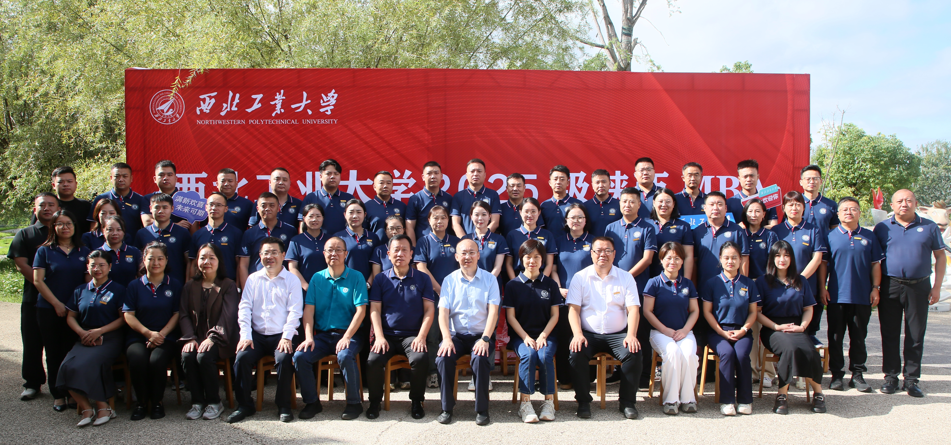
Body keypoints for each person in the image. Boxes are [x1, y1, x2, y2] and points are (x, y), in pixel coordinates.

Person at [874, 189, 947, 397]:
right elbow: (874, 261)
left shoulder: (929, 227)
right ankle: (890, 377)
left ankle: (912, 380)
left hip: (919, 286)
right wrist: (875, 287)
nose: (904, 204)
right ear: (892, 205)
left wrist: (936, 286)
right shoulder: (882, 228)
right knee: (889, 333)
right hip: (890, 285)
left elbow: (940, 257)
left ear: (916, 203)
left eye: (908, 200)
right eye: (899, 201)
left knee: (915, 334)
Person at [566, 236, 642, 420]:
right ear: (592, 254)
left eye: (607, 251)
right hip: (588, 334)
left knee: (634, 352)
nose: (603, 254)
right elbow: (573, 310)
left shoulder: (626, 277)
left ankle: (627, 402)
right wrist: (577, 334)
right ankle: (583, 402)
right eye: (598, 251)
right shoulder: (580, 277)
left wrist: (631, 335)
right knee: (576, 352)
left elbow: (633, 309)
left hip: (618, 334)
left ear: (614, 254)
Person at [228, 237, 303, 423]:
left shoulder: (292, 280)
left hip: (281, 335)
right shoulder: (253, 279)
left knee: (284, 359)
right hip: (256, 335)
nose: (270, 257)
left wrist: (286, 337)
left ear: (283, 255)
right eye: (266, 253)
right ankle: (244, 405)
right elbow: (244, 307)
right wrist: (245, 335)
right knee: (241, 358)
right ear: (260, 256)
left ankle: (283, 405)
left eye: (274, 252)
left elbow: (295, 311)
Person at [294, 236, 367, 421]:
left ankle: (354, 403)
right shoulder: (317, 278)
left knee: (345, 355)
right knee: (300, 356)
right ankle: (312, 402)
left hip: (350, 334)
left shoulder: (356, 277)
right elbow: (308, 310)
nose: (334, 253)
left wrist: (347, 337)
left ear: (346, 254)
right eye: (330, 250)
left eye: (338, 250)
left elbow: (361, 311)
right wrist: (309, 337)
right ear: (324, 253)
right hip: (323, 335)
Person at [365, 235, 434, 420]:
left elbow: (429, 310)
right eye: (396, 250)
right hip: (386, 336)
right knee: (373, 360)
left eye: (404, 250)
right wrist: (379, 337)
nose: (400, 254)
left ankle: (417, 401)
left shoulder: (422, 278)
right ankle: (374, 402)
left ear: (411, 254)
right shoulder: (381, 279)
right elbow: (374, 310)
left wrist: (421, 337)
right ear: (388, 254)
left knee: (420, 358)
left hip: (412, 336)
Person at [755, 241, 827, 414]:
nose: (782, 259)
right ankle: (782, 395)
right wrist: (776, 326)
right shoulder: (763, 282)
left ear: (792, 259)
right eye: (778, 255)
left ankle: (818, 393)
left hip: (797, 328)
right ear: (772, 259)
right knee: (789, 349)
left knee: (810, 351)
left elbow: (808, 309)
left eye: (786, 255)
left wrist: (802, 327)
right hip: (772, 329)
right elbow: (756, 312)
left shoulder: (801, 281)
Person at [435, 239, 501, 426]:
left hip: (481, 335)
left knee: (480, 358)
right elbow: (443, 313)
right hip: (456, 336)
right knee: (443, 358)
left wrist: (485, 338)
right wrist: (446, 338)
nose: (467, 257)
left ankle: (482, 409)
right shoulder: (449, 280)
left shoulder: (490, 279)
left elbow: (493, 312)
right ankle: (446, 408)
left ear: (478, 255)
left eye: (472, 252)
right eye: (463, 253)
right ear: (456, 257)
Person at [58, 251, 127, 427]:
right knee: (66, 367)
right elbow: (71, 317)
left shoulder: (118, 290)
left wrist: (100, 331)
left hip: (109, 338)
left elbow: (123, 319)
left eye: (101, 265)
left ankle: (103, 407)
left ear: (109, 267)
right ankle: (87, 408)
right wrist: (82, 333)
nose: (97, 269)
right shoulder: (80, 290)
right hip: (85, 337)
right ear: (87, 267)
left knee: (89, 364)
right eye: (93, 265)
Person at [33, 209, 91, 412]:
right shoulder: (44, 251)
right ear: (53, 227)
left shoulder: (84, 251)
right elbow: (38, 281)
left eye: (69, 223)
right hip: (49, 309)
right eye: (60, 224)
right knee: (53, 352)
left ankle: (74, 394)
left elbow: (88, 281)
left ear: (75, 226)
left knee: (73, 353)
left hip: (75, 312)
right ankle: (58, 395)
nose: (65, 227)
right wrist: (57, 304)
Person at [824, 197, 882, 392]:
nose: (849, 212)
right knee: (835, 337)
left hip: (862, 296)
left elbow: (875, 264)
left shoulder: (869, 236)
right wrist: (822, 288)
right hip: (836, 296)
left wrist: (876, 288)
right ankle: (836, 374)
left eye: (853, 209)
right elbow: (823, 265)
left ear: (859, 212)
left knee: (858, 337)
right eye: (845, 209)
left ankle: (857, 374)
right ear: (838, 214)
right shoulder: (830, 236)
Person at [122, 241, 183, 420]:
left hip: (166, 337)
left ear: (166, 260)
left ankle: (157, 402)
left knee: (157, 360)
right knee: (137, 359)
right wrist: (148, 334)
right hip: (138, 336)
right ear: (144, 260)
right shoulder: (134, 286)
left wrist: (160, 335)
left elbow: (177, 314)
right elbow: (128, 315)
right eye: (151, 258)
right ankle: (141, 403)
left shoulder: (175, 285)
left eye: (160, 258)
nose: (155, 263)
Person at [179, 243, 239, 421]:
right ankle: (197, 402)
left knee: (204, 356)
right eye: (202, 258)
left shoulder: (228, 285)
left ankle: (214, 402)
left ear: (219, 261)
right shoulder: (190, 286)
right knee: (187, 355)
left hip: (221, 338)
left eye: (211, 258)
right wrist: (190, 338)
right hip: (196, 337)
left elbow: (228, 316)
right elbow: (184, 314)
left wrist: (212, 338)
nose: (207, 262)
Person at [504, 240, 562, 423]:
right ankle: (525, 404)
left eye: (537, 257)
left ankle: (548, 403)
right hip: (521, 336)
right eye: (528, 257)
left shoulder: (550, 284)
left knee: (544, 356)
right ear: (521, 259)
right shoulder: (513, 285)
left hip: (547, 335)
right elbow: (511, 317)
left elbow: (555, 315)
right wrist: (526, 337)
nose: (532, 261)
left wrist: (543, 335)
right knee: (528, 354)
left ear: (542, 259)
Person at [8, 193, 59, 401]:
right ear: (34, 208)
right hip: (33, 298)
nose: (47, 208)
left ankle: (61, 385)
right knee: (32, 342)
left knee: (58, 345)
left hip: (61, 299)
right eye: (42, 205)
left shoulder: (64, 231)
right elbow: (21, 264)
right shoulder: (25, 234)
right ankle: (32, 383)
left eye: (51, 205)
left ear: (58, 208)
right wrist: (44, 286)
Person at [605, 187, 657, 385]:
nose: (627, 205)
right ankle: (620, 370)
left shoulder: (647, 227)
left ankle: (643, 376)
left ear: (639, 204)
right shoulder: (611, 228)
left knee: (640, 331)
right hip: (614, 288)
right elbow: (606, 256)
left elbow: (647, 259)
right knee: (619, 330)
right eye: (624, 201)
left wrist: (626, 277)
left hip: (639, 287)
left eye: (632, 201)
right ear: (619, 204)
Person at [701, 242, 759, 416]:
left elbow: (753, 312)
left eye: (734, 258)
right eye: (726, 258)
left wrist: (743, 330)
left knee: (741, 355)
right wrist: (721, 332)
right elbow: (707, 312)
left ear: (740, 260)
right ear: (720, 259)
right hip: (717, 332)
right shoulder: (712, 283)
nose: (730, 261)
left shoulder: (748, 283)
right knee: (727, 353)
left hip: (742, 331)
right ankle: (727, 401)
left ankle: (745, 400)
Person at [642, 242, 700, 415]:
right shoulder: (653, 283)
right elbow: (647, 311)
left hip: (684, 332)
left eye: (677, 258)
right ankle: (671, 400)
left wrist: (685, 330)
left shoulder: (687, 284)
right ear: (661, 260)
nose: (672, 262)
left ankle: (688, 399)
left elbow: (695, 311)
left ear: (682, 261)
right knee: (672, 353)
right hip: (660, 333)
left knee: (689, 355)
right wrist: (665, 330)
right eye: (668, 258)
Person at [772, 191, 828, 346]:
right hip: (780, 288)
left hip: (806, 286)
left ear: (804, 208)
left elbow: (817, 259)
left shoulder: (813, 230)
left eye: (798, 204)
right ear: (783, 208)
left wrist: (799, 279)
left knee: (807, 331)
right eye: (790, 204)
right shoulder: (776, 231)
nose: (794, 208)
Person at [414, 205, 460, 385]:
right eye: (435, 218)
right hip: (431, 296)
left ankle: (450, 371)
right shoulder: (423, 241)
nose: (439, 221)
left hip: (455, 297)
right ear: (429, 220)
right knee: (432, 335)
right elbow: (421, 267)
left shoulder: (456, 241)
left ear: (448, 220)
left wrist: (450, 292)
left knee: (453, 334)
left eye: (443, 217)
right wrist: (440, 290)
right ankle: (433, 371)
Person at [552, 203, 593, 390]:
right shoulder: (559, 241)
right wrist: (559, 288)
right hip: (564, 297)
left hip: (588, 298)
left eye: (580, 217)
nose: (576, 221)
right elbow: (553, 269)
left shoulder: (593, 242)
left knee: (586, 337)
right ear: (566, 221)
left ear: (585, 220)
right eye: (572, 217)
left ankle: (585, 379)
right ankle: (565, 378)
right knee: (564, 338)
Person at [743, 198, 779, 388]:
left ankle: (768, 372)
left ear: (764, 214)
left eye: (758, 211)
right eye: (750, 211)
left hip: (766, 285)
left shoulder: (770, 235)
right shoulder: (741, 234)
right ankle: (752, 371)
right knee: (750, 330)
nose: (754, 215)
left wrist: (768, 286)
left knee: (766, 330)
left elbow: (774, 264)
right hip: (746, 286)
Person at [237, 192, 297, 288]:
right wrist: (246, 289)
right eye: (263, 206)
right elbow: (243, 265)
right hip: (257, 284)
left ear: (278, 208)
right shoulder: (249, 233)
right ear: (257, 209)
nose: (267, 209)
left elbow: (293, 262)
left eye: (272, 205)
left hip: (283, 283)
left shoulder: (290, 231)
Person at [134, 193, 192, 284]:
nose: (161, 211)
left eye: (165, 207)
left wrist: (187, 284)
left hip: (176, 284)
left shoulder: (182, 232)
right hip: (149, 286)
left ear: (172, 209)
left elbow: (189, 262)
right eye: (157, 207)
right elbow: (138, 262)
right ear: (150, 208)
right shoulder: (142, 233)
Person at [188, 192, 243, 281]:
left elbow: (239, 264)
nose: (214, 208)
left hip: (227, 284)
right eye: (211, 205)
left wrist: (237, 286)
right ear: (206, 207)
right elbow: (193, 264)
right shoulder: (197, 235)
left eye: (219, 205)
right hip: (203, 284)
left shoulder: (236, 233)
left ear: (226, 209)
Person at [505, 197, 557, 279]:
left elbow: (549, 264)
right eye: (526, 211)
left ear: (539, 212)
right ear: (520, 212)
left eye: (533, 211)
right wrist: (515, 282)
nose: (530, 215)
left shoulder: (547, 235)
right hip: (518, 278)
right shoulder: (512, 235)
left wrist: (541, 281)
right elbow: (509, 264)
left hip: (541, 278)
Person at [333, 199, 381, 286]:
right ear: (345, 215)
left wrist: (368, 283)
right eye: (351, 212)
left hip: (368, 286)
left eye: (359, 212)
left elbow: (376, 263)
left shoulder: (373, 237)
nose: (355, 216)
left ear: (365, 215)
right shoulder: (338, 237)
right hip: (344, 285)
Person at [30, 166, 92, 234]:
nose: (65, 184)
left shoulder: (86, 206)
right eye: (61, 182)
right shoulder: (45, 206)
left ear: (76, 184)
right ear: (53, 185)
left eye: (69, 181)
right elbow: (33, 230)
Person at [88, 163, 146, 235]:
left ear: (131, 178)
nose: (121, 179)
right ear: (111, 178)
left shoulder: (140, 200)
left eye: (125, 176)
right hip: (107, 240)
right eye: (117, 176)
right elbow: (94, 225)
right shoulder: (101, 199)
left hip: (133, 241)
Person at [648, 187, 694, 279]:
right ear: (654, 203)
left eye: (668, 201)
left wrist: (686, 280)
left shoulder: (683, 226)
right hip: (650, 277)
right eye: (660, 201)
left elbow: (688, 255)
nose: (664, 205)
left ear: (673, 204)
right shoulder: (646, 225)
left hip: (676, 278)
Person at [406, 161, 453, 245]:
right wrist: (414, 248)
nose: (433, 176)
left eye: (436, 173)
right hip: (423, 246)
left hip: (446, 245)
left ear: (441, 176)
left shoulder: (448, 198)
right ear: (423, 177)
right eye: (429, 173)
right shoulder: (415, 199)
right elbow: (410, 227)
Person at [302, 160, 353, 235]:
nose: (332, 176)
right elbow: (302, 223)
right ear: (320, 176)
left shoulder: (349, 198)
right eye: (328, 174)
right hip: (319, 240)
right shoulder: (311, 198)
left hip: (343, 241)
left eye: (336, 174)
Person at [451, 159, 500, 237]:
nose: (476, 174)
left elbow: (495, 222)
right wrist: (466, 241)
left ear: (484, 175)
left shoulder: (493, 195)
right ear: (466, 175)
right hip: (464, 242)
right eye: (472, 171)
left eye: (479, 171)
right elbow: (455, 224)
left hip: (486, 241)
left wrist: (482, 238)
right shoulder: (458, 196)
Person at [462, 201, 509, 279]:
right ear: (471, 216)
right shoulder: (465, 240)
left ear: (490, 216)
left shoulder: (499, 239)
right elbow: (463, 265)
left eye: (484, 214)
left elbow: (497, 267)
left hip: (491, 283)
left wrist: (487, 282)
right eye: (476, 215)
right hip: (470, 283)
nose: (480, 218)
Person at [287, 204, 329, 289]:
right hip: (304, 289)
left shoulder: (330, 240)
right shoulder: (296, 241)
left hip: (328, 287)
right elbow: (292, 267)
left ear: (323, 218)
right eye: (311, 216)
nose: (314, 219)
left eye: (318, 216)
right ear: (304, 219)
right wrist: (306, 286)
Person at [726, 159, 778, 227]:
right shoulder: (730, 203)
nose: (749, 179)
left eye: (752, 176)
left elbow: (773, 226)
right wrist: (738, 228)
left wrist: (756, 230)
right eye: (745, 176)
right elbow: (728, 228)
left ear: (758, 177)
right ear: (739, 179)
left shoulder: (768, 199)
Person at [141, 160, 189, 229]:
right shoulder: (148, 198)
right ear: (155, 179)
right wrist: (175, 226)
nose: (165, 178)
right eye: (161, 175)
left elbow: (192, 226)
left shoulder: (186, 199)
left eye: (169, 175)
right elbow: (147, 222)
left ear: (176, 179)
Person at [98, 215, 142, 285]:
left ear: (124, 231)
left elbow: (141, 277)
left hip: (130, 291)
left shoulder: (134, 252)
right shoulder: (98, 254)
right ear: (103, 230)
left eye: (118, 230)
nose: (115, 233)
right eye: (110, 230)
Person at [539, 165, 582, 239]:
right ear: (550, 182)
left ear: (568, 182)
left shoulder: (577, 205)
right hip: (550, 244)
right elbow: (541, 230)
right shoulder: (544, 205)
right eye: (555, 179)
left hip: (571, 244)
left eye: (562, 179)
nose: (558, 182)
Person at [365, 170, 407, 243]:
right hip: (375, 247)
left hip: (398, 247)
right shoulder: (366, 206)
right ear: (374, 186)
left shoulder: (401, 206)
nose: (385, 186)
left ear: (392, 186)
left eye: (388, 183)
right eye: (381, 183)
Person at [799, 165, 838, 232]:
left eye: (815, 178)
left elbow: (835, 230)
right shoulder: (794, 204)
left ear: (821, 181)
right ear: (801, 182)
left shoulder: (831, 205)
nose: (812, 182)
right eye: (808, 179)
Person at [583, 169, 621, 236]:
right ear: (592, 185)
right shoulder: (585, 206)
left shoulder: (619, 205)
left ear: (609, 183)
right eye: (597, 182)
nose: (601, 185)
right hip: (593, 242)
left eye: (604, 182)